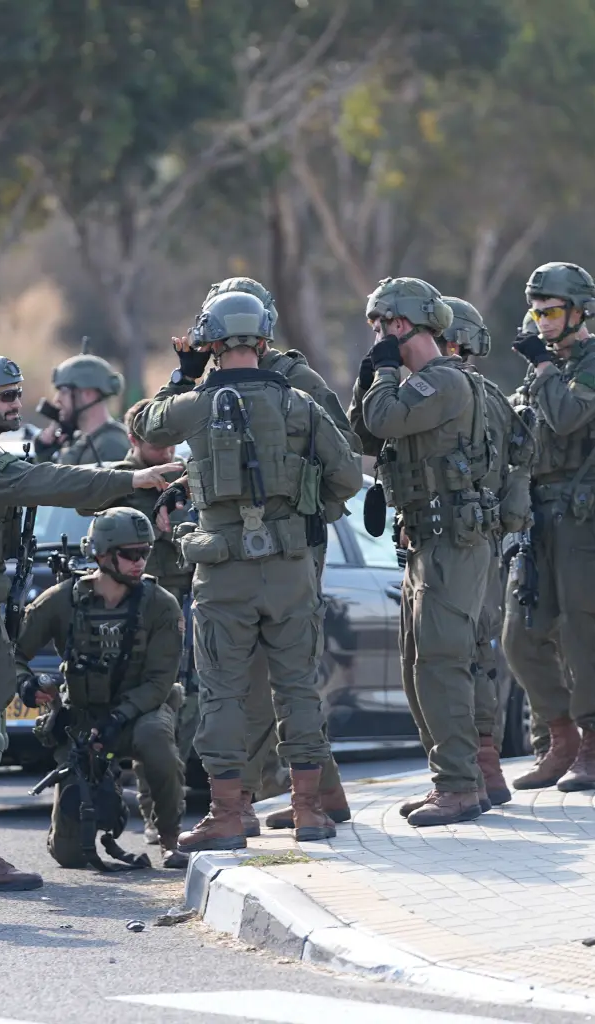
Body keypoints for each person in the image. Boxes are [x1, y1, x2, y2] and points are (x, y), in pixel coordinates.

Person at [0, 354, 180, 891]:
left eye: (17, 394)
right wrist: (133, 476)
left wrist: (128, 476)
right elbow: (47, 480)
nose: (17, 404)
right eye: (6, 397)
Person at [132, 291, 363, 851]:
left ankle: (228, 816)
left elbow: (145, 428)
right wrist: (306, 513)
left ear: (211, 342)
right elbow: (349, 479)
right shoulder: (300, 406)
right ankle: (308, 811)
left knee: (223, 693)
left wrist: (184, 374)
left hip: (222, 569)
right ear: (264, 341)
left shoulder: (196, 404)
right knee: (298, 689)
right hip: (290, 571)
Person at [199, 277, 361, 837]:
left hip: (291, 549)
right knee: (279, 680)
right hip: (272, 552)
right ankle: (321, 797)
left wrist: (307, 511)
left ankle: (242, 800)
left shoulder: (297, 382)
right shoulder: (215, 385)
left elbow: (341, 457)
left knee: (264, 682)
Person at [346, 277, 488, 826]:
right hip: (425, 540)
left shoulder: (444, 383)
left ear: (399, 324)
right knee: (416, 665)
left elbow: (387, 419)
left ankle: (459, 785)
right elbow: (365, 434)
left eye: (379, 326)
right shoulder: (410, 386)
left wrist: (383, 372)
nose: (376, 336)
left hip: (454, 540)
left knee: (441, 662)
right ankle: (452, 780)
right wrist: (370, 377)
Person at [503, 263, 595, 792]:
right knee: (520, 635)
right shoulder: (544, 367)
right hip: (539, 514)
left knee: (583, 632)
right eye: (536, 311)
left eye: (551, 311)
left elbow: (567, 417)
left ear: (579, 312)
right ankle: (561, 736)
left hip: (584, 515)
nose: (541, 320)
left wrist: (543, 369)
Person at [14, 508, 188, 869]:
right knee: (69, 856)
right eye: (130, 554)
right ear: (102, 554)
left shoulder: (161, 605)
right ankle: (77, 821)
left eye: (145, 552)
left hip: (139, 713)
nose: (140, 562)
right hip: (82, 720)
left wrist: (117, 718)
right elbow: (12, 653)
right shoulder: (61, 600)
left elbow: (159, 681)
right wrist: (27, 685)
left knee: (157, 740)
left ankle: (170, 836)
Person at [81, 399, 196, 845]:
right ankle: (97, 810)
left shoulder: (188, 478)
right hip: (121, 612)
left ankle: (158, 815)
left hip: (175, 605)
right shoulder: (119, 482)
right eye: (156, 444)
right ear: (133, 441)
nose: (166, 453)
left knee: (172, 709)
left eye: (171, 444)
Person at [439, 295, 533, 807]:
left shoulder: (456, 394)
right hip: (486, 541)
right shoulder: (490, 395)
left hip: (464, 544)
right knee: (476, 657)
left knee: (460, 658)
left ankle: (477, 772)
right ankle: (485, 770)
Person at [35, 354, 131, 466]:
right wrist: (45, 456)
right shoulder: (81, 441)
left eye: (64, 391)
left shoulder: (111, 446)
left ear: (88, 394)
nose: (57, 399)